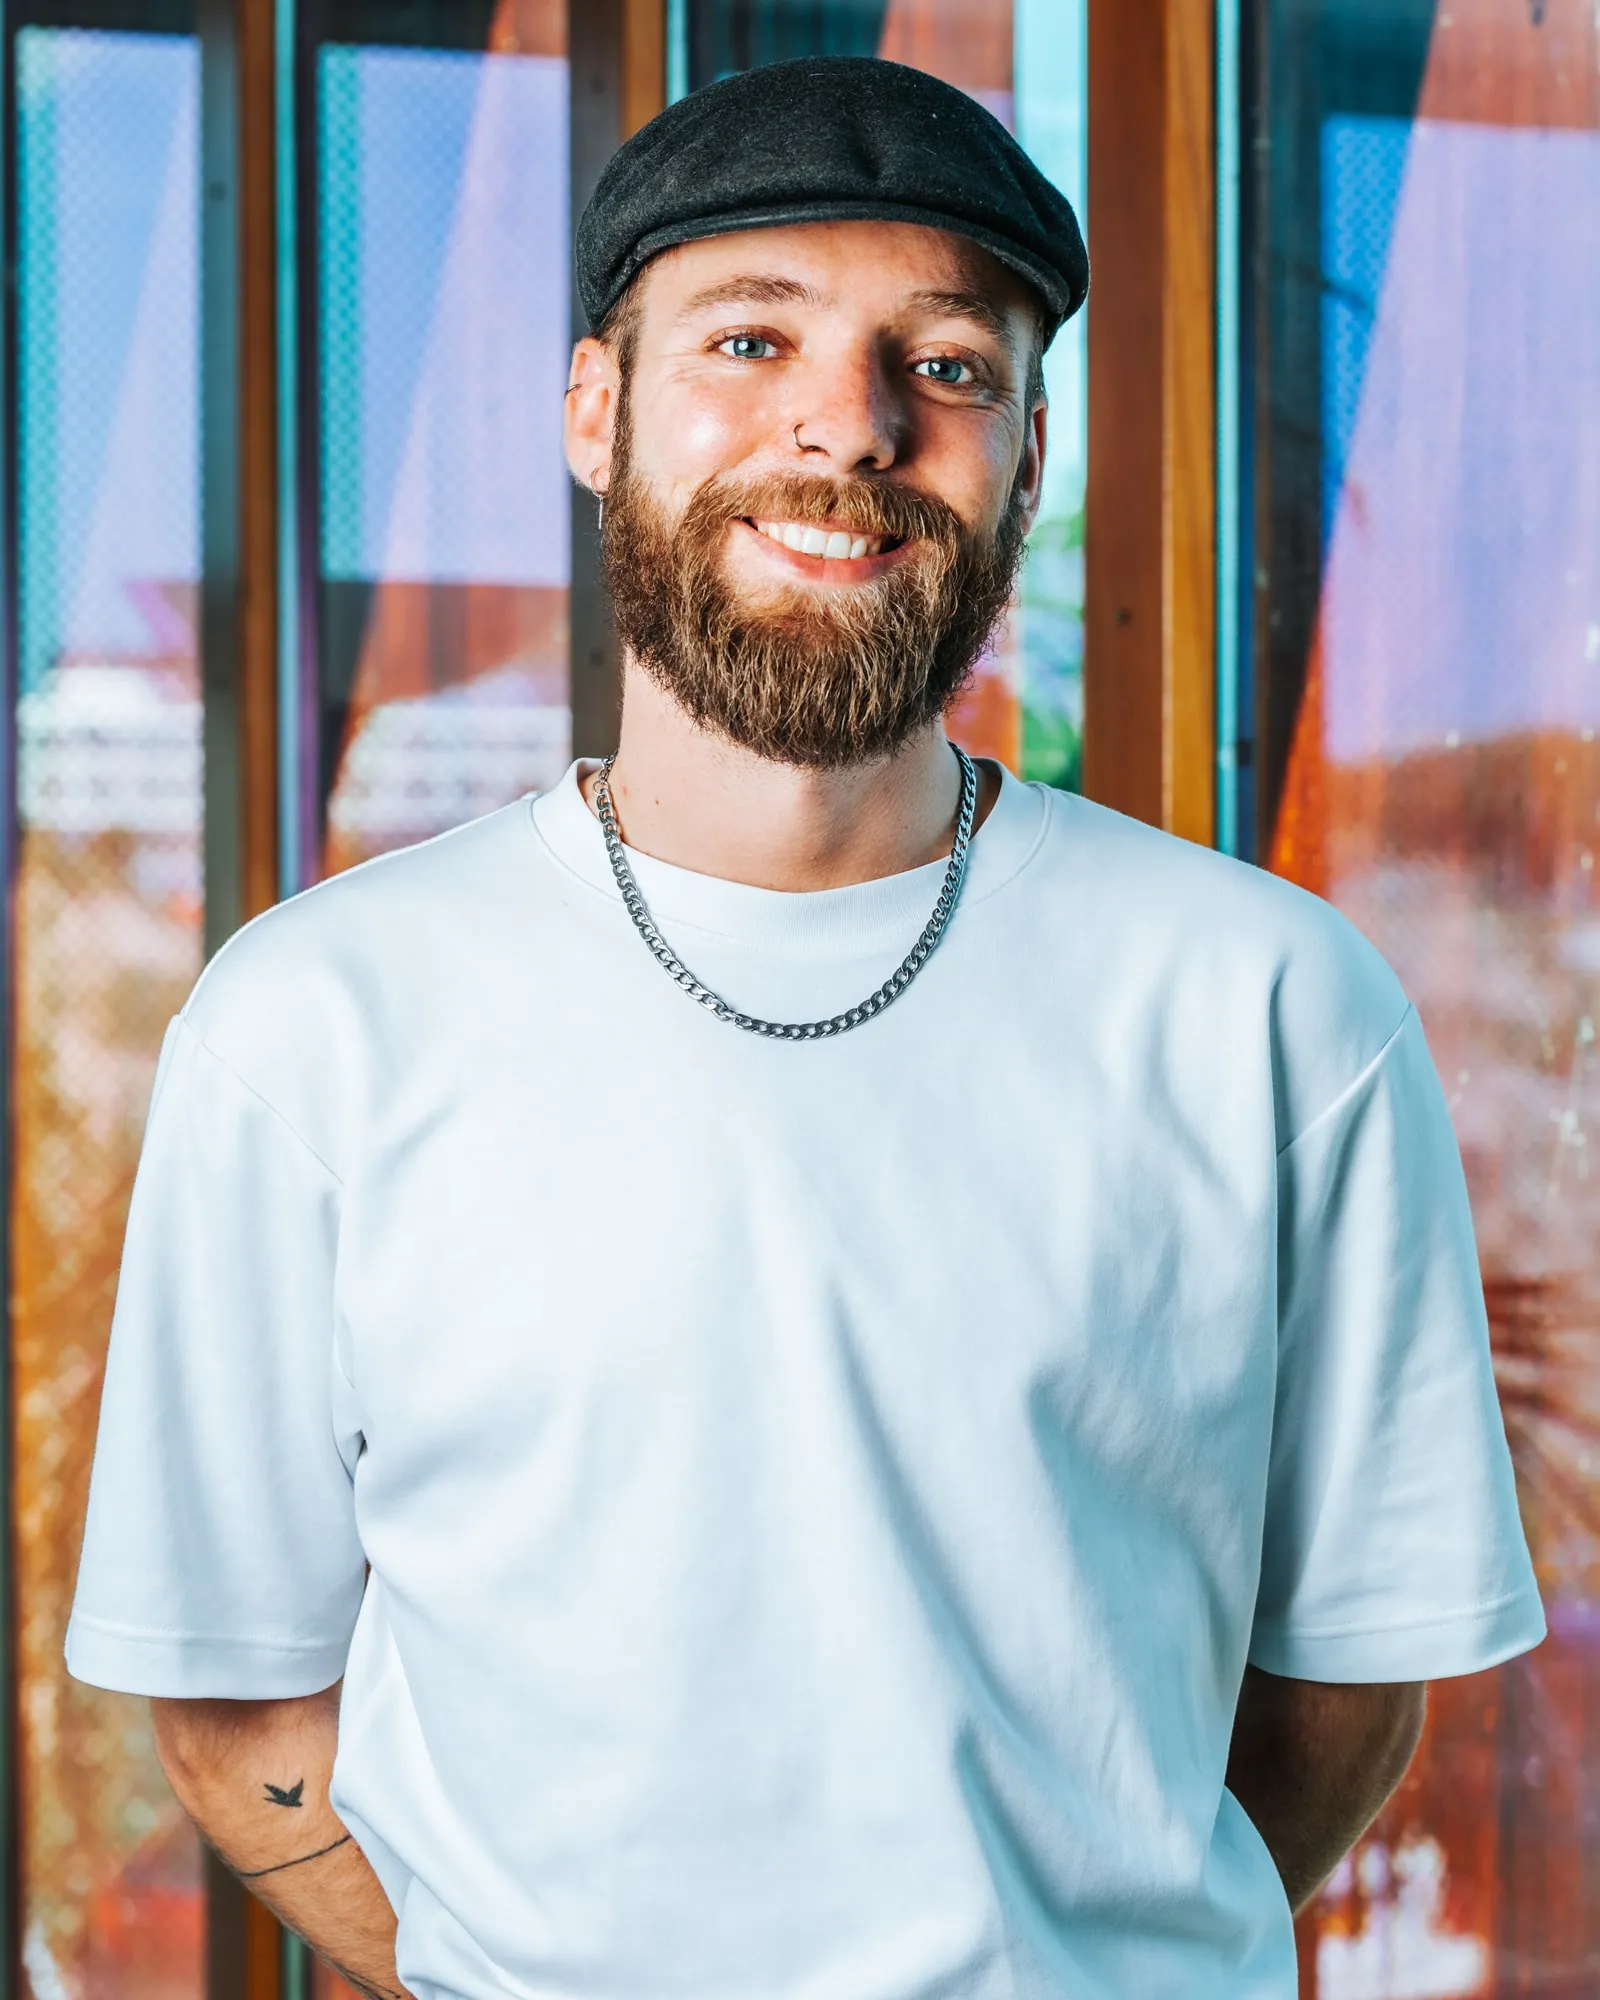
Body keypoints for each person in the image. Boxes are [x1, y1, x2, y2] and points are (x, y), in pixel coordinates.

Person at [67, 55, 1541, 2000]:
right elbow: (236, 1709)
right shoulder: (312, 1025)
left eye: (945, 364)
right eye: (750, 339)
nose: (847, 425)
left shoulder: (1272, 1004)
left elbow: (1344, 1681)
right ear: (593, 410)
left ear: (1027, 456)